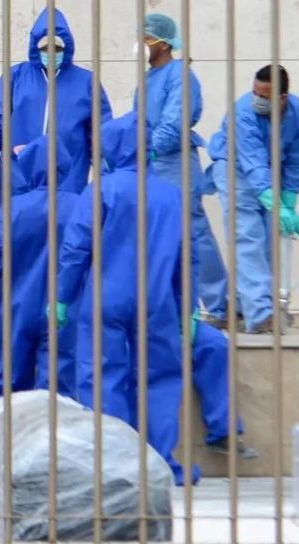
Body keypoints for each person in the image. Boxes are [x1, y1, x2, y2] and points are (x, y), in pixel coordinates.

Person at [52, 113, 256, 487]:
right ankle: (159, 463)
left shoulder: (101, 190)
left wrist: (62, 296)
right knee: (160, 379)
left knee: (102, 376)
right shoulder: (171, 195)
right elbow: (188, 256)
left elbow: (75, 249)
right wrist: (187, 306)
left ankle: (112, 466)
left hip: (106, 298)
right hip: (157, 300)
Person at [0, 135, 80, 405]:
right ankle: (52, 446)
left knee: (3, 382)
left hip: (17, 310)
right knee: (59, 392)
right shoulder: (81, 207)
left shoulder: (15, 208)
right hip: (64, 311)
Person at [132, 14, 229, 329]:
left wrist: (150, 147)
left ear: (163, 42)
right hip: (150, 163)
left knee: (192, 232)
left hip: (174, 162)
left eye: (146, 38)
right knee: (154, 234)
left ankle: (220, 306)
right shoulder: (146, 80)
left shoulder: (180, 75)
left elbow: (175, 120)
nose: (142, 44)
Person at [205, 65, 299, 333]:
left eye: (264, 95)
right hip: (235, 168)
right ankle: (262, 314)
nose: (257, 99)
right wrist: (272, 199)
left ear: (282, 97)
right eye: (255, 92)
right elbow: (252, 161)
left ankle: (239, 308)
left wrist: (288, 202)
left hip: (268, 172)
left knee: (266, 242)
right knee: (247, 237)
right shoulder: (244, 111)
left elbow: (298, 162)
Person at [0, 7, 113, 203]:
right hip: (18, 176)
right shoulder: (16, 77)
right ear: (35, 47)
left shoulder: (86, 82)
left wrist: (106, 172)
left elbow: (101, 132)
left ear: (67, 47)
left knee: (65, 229)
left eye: (57, 47)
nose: (51, 52)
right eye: (45, 47)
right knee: (18, 228)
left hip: (69, 178)